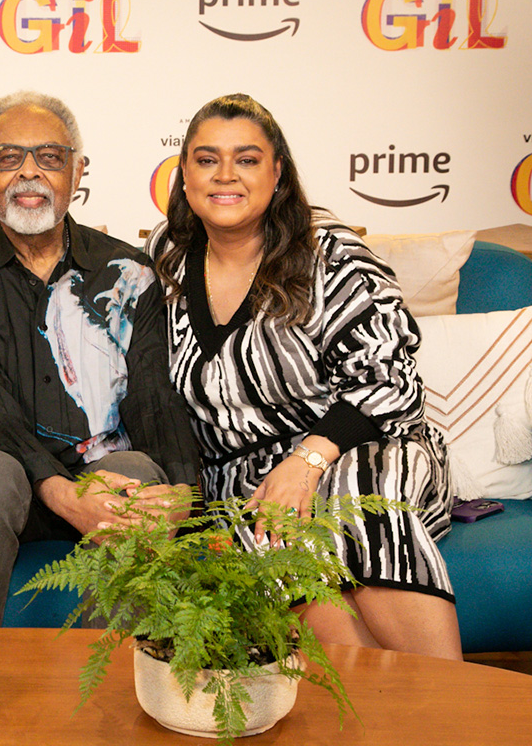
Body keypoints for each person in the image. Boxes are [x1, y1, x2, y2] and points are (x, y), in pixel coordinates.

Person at [148, 93, 462, 660]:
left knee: (354, 500)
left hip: (363, 446)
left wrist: (306, 463)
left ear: (277, 173)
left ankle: (451, 696)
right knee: (279, 533)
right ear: (184, 176)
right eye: (207, 159)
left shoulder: (330, 252)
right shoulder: (165, 257)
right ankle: (398, 705)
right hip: (243, 482)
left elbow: (391, 381)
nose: (225, 175)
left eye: (247, 159)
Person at [0, 91, 199, 628]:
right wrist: (60, 491)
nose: (29, 172)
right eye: (8, 157)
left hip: (105, 475)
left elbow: (154, 394)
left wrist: (182, 490)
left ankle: (114, 676)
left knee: (133, 473)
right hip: (7, 485)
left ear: (78, 172)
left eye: (50, 157)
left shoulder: (128, 272)